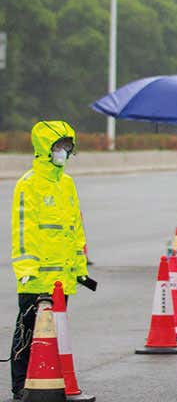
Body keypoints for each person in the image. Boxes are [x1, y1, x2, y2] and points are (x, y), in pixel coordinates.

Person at [10, 121, 92, 399]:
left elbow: (74, 231)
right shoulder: (28, 184)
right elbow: (22, 231)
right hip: (35, 279)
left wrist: (80, 269)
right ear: (45, 149)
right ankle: (21, 385)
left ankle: (50, 382)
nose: (64, 152)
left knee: (55, 337)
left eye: (67, 147)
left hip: (62, 279)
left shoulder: (67, 184)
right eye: (59, 147)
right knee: (27, 333)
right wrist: (25, 269)